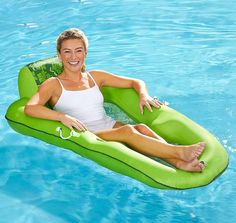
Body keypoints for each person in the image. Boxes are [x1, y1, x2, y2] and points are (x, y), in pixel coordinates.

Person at [24, 28, 206, 172]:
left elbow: (136, 82)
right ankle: (180, 152)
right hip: (88, 133)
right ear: (60, 55)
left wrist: (144, 95)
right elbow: (30, 108)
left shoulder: (96, 76)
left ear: (85, 52)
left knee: (142, 128)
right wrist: (63, 117)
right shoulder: (54, 84)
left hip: (109, 125)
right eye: (67, 52)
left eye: (78, 51)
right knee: (128, 131)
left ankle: (179, 163)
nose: (73, 57)